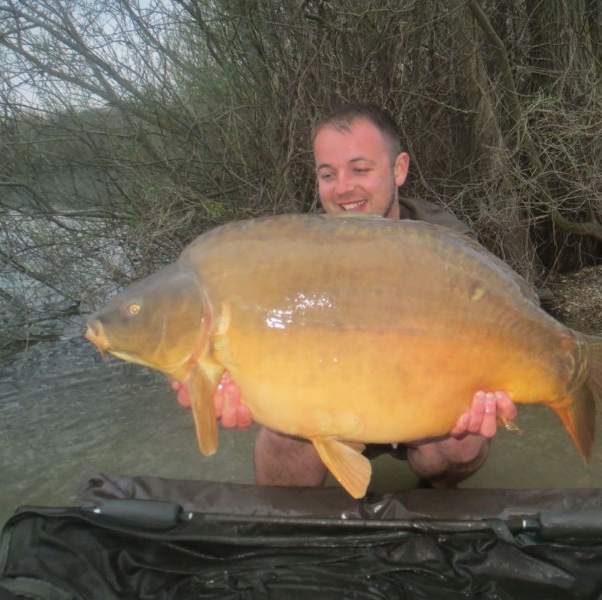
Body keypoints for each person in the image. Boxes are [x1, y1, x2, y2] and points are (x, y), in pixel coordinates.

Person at [173, 103, 517, 490]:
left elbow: (505, 327)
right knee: (283, 440)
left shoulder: (448, 248)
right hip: (334, 393)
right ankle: (290, 534)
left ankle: (435, 504)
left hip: (419, 393)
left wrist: (486, 396)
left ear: (399, 169)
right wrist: (229, 380)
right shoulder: (299, 250)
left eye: (360, 169)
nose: (342, 188)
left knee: (460, 445)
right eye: (327, 174)